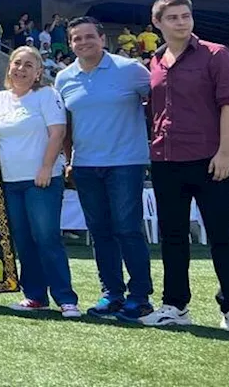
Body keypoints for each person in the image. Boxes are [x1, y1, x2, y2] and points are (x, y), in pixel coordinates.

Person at [140, 0, 229, 334]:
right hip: (166, 160)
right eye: (173, 18)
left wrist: (225, 152)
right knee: (171, 237)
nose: (181, 22)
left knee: (221, 237)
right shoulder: (153, 63)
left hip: (210, 159)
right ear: (158, 23)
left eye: (186, 16)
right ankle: (175, 305)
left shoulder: (216, 54)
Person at [54, 16, 155, 321]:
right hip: (86, 166)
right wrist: (70, 159)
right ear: (70, 44)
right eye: (76, 39)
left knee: (127, 230)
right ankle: (112, 293)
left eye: (89, 37)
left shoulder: (132, 70)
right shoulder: (64, 78)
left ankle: (139, 296)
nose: (83, 43)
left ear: (102, 38)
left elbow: (159, 104)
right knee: (100, 232)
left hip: (126, 162)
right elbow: (67, 125)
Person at [0, 46, 79, 317]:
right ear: (9, 67)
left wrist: (45, 167)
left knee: (47, 238)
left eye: (29, 65)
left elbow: (58, 133)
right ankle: (34, 295)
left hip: (41, 180)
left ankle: (66, 298)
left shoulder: (46, 95)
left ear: (39, 71)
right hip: (9, 181)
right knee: (24, 240)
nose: (21, 69)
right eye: (17, 63)